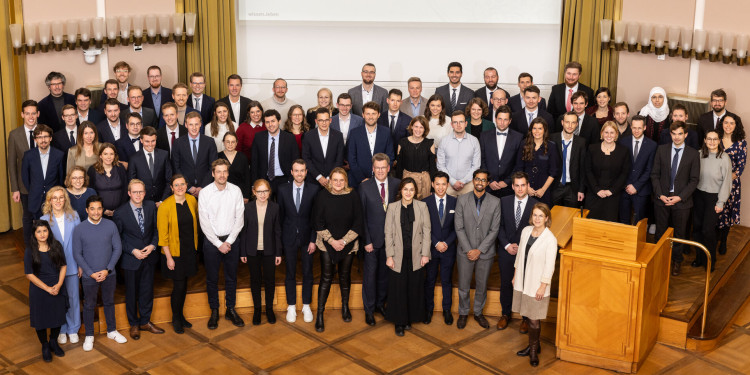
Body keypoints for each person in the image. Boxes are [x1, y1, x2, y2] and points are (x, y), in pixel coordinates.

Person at [312, 167, 364, 332]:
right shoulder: (322, 195)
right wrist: (332, 241)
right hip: (327, 243)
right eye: (335, 180)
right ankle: (320, 313)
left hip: (347, 243)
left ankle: (345, 306)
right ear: (330, 181)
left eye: (342, 180)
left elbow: (358, 222)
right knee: (326, 278)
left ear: (346, 181)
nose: (338, 183)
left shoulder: (353, 195)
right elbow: (318, 222)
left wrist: (343, 240)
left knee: (344, 276)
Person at [73, 195, 127, 351]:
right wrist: (90, 273)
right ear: (86, 210)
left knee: (109, 302)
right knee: (89, 305)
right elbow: (77, 254)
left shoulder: (110, 226)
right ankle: (89, 335)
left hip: (108, 273)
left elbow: (117, 248)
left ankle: (112, 330)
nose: (96, 212)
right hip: (89, 276)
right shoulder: (79, 229)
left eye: (99, 208)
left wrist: (107, 269)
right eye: (92, 209)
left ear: (103, 210)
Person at [113, 180, 165, 339]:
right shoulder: (120, 212)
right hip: (131, 259)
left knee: (147, 291)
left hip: (149, 257)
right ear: (129, 193)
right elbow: (118, 238)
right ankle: (134, 324)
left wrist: (153, 245)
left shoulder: (150, 207)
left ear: (144, 193)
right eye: (135, 192)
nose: (138, 195)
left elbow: (157, 229)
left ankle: (145, 321)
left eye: (141, 192)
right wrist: (133, 251)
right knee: (131, 293)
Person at [199, 159, 245, 329]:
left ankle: (230, 309)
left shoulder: (236, 191)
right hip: (212, 242)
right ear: (213, 173)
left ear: (228, 172)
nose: (222, 175)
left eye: (225, 171)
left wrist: (229, 241)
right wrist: (219, 243)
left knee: (231, 278)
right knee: (212, 279)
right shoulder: (205, 193)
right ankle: (214, 311)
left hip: (231, 240)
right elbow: (204, 222)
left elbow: (239, 220)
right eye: (218, 171)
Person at [651, 121, 700, 276]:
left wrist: (680, 197)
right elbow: (654, 175)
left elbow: (694, 180)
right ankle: (659, 259)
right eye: (674, 133)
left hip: (682, 201)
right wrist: (660, 194)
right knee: (660, 232)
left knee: (679, 234)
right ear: (670, 134)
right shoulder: (661, 150)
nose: (677, 137)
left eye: (680, 134)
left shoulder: (693, 154)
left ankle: (676, 261)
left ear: (685, 135)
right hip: (662, 199)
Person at [512, 203, 558, 367]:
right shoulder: (526, 231)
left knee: (533, 319)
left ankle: (533, 351)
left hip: (536, 284)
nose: (537, 219)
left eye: (541, 216)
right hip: (523, 280)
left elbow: (550, 265)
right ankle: (535, 345)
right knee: (527, 315)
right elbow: (520, 256)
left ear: (546, 218)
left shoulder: (550, 239)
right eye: (535, 215)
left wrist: (543, 286)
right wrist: (515, 274)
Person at [454, 169, 501, 329]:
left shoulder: (495, 202)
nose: (480, 182)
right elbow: (458, 228)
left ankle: (479, 313)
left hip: (485, 253)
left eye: (483, 180)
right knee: (463, 286)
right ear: (473, 181)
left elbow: (494, 230)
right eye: (477, 179)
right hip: (465, 251)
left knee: (482, 286)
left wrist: (479, 250)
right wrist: (469, 249)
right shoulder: (462, 200)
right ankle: (463, 313)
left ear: (487, 183)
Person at [384, 178, 431, 336]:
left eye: (412, 189)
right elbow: (388, 233)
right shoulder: (392, 207)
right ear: (400, 191)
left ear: (415, 192)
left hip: (416, 255)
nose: (408, 192)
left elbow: (427, 232)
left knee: (413, 287)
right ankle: (399, 322)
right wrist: (389, 255)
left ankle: (409, 318)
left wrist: (425, 254)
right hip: (397, 255)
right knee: (398, 288)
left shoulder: (422, 206)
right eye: (406, 189)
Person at [359, 154, 400, 325]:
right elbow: (360, 216)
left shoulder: (397, 184)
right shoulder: (364, 187)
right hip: (371, 241)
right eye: (378, 168)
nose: (381, 171)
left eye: (384, 167)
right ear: (373, 169)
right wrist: (366, 241)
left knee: (385, 276)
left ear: (389, 168)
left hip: (391, 241)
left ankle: (379, 305)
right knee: (370, 276)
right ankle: (368, 310)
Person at [277, 159, 320, 324]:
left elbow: (315, 218)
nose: (299, 173)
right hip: (288, 238)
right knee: (290, 273)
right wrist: (280, 242)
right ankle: (291, 305)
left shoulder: (314, 190)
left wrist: (313, 240)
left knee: (308, 272)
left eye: (302, 170)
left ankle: (306, 305)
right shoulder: (282, 190)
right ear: (291, 171)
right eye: (296, 170)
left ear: (306, 172)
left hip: (307, 238)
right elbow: (280, 218)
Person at [497, 172, 538, 331]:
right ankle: (505, 314)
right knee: (506, 283)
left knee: (526, 285)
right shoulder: (503, 201)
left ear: (528, 186)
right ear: (512, 186)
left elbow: (537, 231)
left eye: (523, 185)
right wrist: (507, 245)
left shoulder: (535, 205)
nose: (520, 189)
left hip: (526, 252)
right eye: (517, 185)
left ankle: (526, 318)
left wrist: (522, 247)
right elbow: (498, 226)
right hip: (507, 250)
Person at [40, 187, 81, 346]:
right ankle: (62, 330)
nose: (58, 201)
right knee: (57, 299)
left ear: (65, 200)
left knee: (73, 298)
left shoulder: (74, 216)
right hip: (53, 268)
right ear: (49, 201)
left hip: (72, 264)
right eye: (54, 198)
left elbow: (79, 242)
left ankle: (73, 329)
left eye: (61, 197)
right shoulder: (44, 219)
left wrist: (80, 264)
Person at [157, 175, 199, 334]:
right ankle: (176, 318)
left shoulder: (192, 200)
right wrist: (168, 257)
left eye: (182, 184)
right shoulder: (165, 206)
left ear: (186, 185)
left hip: (189, 250)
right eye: (176, 185)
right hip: (174, 253)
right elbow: (163, 236)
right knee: (179, 286)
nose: (180, 187)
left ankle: (181, 316)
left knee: (184, 285)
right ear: (171, 187)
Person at [239, 179, 282, 325]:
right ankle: (257, 309)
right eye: (259, 191)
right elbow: (243, 232)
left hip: (270, 250)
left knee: (270, 281)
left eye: (265, 191)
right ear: (254, 192)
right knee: (255, 280)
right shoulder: (248, 208)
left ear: (269, 192)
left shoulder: (275, 208)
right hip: (252, 250)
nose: (262, 194)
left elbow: (277, 232)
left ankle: (269, 308)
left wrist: (278, 253)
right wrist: (243, 252)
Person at [25, 220, 68, 362]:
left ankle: (53, 341)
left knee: (57, 315)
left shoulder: (56, 246)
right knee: (40, 319)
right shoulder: (30, 250)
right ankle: (44, 345)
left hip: (57, 286)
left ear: (48, 231)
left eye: (45, 230)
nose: (42, 234)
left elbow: (63, 266)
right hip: (39, 289)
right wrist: (47, 288)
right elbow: (29, 274)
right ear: (34, 234)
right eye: (39, 231)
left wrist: (59, 284)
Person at [692, 131, 732, 272]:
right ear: (705, 140)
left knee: (707, 230)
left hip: (714, 197)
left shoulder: (724, 158)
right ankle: (699, 258)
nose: (712, 142)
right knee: (696, 228)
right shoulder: (698, 154)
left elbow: (727, 182)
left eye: (715, 139)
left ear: (719, 140)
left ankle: (710, 261)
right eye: (709, 139)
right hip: (698, 195)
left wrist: (720, 202)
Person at [422, 172, 457, 325]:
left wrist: (446, 243)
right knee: (429, 280)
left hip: (448, 249)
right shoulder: (425, 203)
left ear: (448, 185)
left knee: (446, 280)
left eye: (444, 184)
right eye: (437, 184)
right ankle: (428, 309)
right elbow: (423, 228)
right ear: (432, 184)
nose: (441, 187)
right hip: (431, 248)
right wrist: (436, 243)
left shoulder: (455, 202)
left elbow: (458, 227)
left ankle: (447, 310)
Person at [584, 121, 631, 221]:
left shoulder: (623, 151)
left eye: (612, 132)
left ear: (616, 134)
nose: (609, 135)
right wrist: (597, 190)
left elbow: (624, 173)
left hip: (613, 196)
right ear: (601, 133)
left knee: (609, 227)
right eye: (606, 132)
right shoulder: (592, 148)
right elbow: (588, 171)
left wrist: (611, 191)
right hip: (594, 194)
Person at [8, 100, 40, 244]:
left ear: (38, 114)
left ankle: (45, 249)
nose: (31, 117)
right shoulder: (14, 135)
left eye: (33, 113)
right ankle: (29, 249)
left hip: (43, 184)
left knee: (43, 217)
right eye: (27, 113)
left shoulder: (46, 131)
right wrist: (15, 189)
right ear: (22, 115)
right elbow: (12, 164)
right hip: (24, 185)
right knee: (28, 217)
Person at [717, 113, 747, 255]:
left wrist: (726, 181)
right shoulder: (715, 139)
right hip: (714, 183)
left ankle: (723, 241)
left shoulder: (741, 143)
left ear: (736, 126)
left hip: (731, 184)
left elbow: (740, 167)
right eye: (726, 122)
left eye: (731, 123)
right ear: (721, 124)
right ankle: (715, 238)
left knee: (727, 212)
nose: (728, 126)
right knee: (716, 211)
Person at [619, 115, 657, 224]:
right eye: (634, 128)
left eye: (639, 128)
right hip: (624, 188)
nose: (636, 131)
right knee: (623, 220)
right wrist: (627, 184)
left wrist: (636, 186)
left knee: (640, 221)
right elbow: (620, 167)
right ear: (631, 127)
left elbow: (650, 169)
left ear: (644, 128)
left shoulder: (652, 145)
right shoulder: (623, 142)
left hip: (641, 190)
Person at [347, 102, 395, 188]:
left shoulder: (386, 132)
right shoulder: (354, 133)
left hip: (381, 180)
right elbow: (351, 159)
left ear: (378, 115)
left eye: (373, 114)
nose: (370, 117)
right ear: (363, 115)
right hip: (358, 181)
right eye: (368, 113)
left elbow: (390, 157)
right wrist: (362, 178)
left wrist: (381, 175)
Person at [251, 109, 300, 193]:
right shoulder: (258, 138)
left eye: (273, 121)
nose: (270, 125)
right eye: (267, 122)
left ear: (279, 121)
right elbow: (254, 163)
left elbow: (295, 161)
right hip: (264, 181)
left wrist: (291, 180)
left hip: (284, 180)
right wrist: (254, 184)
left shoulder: (289, 138)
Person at [22, 125, 65, 220]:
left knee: (54, 228)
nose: (43, 140)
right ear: (35, 140)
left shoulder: (59, 155)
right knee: (38, 229)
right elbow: (25, 178)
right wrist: (34, 189)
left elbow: (61, 178)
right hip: (35, 199)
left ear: (50, 138)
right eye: (39, 137)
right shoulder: (28, 156)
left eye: (46, 136)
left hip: (54, 200)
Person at [172, 112, 219, 197]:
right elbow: (176, 167)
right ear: (186, 125)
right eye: (191, 124)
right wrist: (188, 187)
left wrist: (203, 187)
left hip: (206, 189)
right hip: (185, 190)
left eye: (196, 124)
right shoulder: (178, 143)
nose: (194, 128)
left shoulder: (210, 142)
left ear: (200, 124)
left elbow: (213, 167)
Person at [480, 105, 523, 198]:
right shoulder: (484, 136)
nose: (502, 123)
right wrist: (489, 180)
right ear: (495, 119)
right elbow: (482, 161)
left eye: (505, 119)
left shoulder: (518, 138)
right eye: (499, 119)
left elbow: (519, 164)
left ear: (510, 121)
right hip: (488, 186)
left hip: (508, 188)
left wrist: (507, 181)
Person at [514, 118, 560, 206]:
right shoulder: (523, 144)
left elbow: (553, 171)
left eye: (540, 128)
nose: (537, 131)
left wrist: (543, 189)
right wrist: (526, 187)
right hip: (525, 188)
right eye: (534, 128)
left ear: (544, 130)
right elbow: (519, 168)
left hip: (544, 189)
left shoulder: (551, 146)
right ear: (531, 130)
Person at [436, 111, 481, 196]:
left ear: (466, 123)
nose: (458, 125)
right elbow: (440, 165)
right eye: (455, 122)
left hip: (468, 186)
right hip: (448, 186)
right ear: (451, 125)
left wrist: (463, 181)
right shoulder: (444, 141)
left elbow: (476, 166)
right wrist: (453, 181)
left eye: (461, 122)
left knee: (468, 209)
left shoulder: (474, 141)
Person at [128, 126, 173, 204]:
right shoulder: (134, 159)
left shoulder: (164, 155)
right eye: (147, 141)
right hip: (143, 202)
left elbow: (169, 180)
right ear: (141, 140)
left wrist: (162, 201)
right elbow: (132, 184)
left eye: (153, 141)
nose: (150, 144)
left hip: (162, 201)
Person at [550, 112, 586, 208]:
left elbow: (583, 168)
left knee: (571, 217)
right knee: (553, 217)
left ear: (577, 124)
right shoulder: (552, 138)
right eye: (567, 122)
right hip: (554, 186)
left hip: (572, 188)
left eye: (573, 122)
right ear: (562, 122)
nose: (570, 126)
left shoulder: (581, 142)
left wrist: (581, 189)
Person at [302, 108, 345, 187]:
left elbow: (339, 160)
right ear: (316, 121)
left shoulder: (338, 136)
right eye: (321, 120)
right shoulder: (308, 136)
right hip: (313, 180)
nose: (324, 123)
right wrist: (319, 177)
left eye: (326, 120)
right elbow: (306, 159)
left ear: (330, 120)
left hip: (333, 181)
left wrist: (330, 177)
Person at [396, 116, 437, 199]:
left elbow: (433, 168)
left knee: (424, 207)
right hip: (407, 180)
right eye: (416, 126)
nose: (418, 130)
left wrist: (433, 188)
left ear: (425, 129)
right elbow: (399, 167)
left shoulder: (429, 143)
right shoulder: (402, 142)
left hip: (425, 181)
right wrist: (399, 186)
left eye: (421, 127)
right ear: (411, 127)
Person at [87, 143, 128, 217]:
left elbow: (125, 190)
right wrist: (103, 209)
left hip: (120, 212)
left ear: (115, 155)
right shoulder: (92, 170)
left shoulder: (120, 168)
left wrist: (120, 209)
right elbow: (91, 192)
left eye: (111, 154)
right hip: (99, 213)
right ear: (100, 155)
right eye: (105, 154)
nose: (109, 157)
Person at [218, 132, 251, 202]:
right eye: (228, 142)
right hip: (221, 193)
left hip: (239, 194)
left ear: (236, 143)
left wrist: (246, 195)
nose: (230, 144)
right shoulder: (218, 157)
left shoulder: (243, 157)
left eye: (233, 142)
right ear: (223, 142)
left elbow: (247, 178)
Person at [52, 104, 79, 170]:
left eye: (72, 115)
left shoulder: (85, 133)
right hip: (65, 173)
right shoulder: (56, 137)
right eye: (66, 116)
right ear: (63, 117)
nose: (70, 118)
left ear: (76, 116)